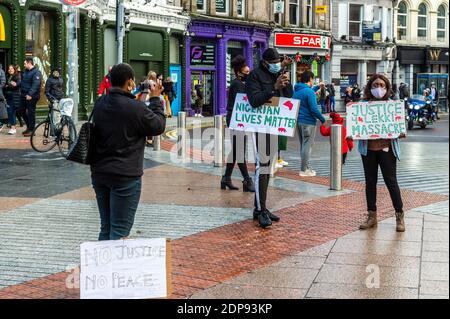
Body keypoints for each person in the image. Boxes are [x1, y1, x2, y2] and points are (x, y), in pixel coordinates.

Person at [90, 63, 166, 240]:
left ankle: (101, 267)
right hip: (125, 176)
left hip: (100, 173)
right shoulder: (135, 108)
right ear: (130, 82)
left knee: (106, 227)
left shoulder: (100, 103)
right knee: (119, 231)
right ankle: (112, 268)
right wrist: (155, 100)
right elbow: (158, 126)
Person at [246, 48, 294, 229]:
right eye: (273, 63)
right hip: (260, 126)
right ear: (265, 62)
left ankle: (260, 208)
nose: (276, 65)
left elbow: (289, 96)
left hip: (274, 125)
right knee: (262, 167)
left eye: (278, 62)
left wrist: (284, 82)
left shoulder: (280, 73)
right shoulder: (255, 76)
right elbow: (254, 100)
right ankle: (260, 209)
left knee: (268, 167)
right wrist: (273, 88)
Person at [357, 74, 406, 233]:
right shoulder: (362, 105)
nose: (379, 88)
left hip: (387, 150)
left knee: (391, 182)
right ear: (370, 87)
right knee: (370, 182)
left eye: (382, 85)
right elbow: (356, 124)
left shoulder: (393, 105)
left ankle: (399, 215)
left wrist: (400, 132)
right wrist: (353, 132)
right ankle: (372, 215)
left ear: (387, 88)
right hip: (368, 150)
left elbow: (400, 126)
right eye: (375, 85)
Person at [221, 55, 255, 193]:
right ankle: (247, 180)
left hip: (239, 119)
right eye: (246, 72)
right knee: (239, 149)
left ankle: (226, 178)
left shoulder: (241, 84)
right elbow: (244, 102)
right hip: (235, 119)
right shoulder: (237, 84)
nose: (248, 74)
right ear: (239, 72)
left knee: (236, 150)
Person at [293, 71, 326, 177]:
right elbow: (313, 109)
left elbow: (307, 92)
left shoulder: (297, 90)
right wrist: (322, 119)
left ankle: (305, 167)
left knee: (303, 145)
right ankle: (304, 170)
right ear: (310, 79)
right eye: (313, 79)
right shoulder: (309, 92)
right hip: (308, 122)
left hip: (299, 121)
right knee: (307, 146)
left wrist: (317, 87)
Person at [18, 57, 42, 137]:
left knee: (31, 113)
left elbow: (36, 85)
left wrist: (30, 94)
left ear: (29, 63)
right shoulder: (25, 72)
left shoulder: (36, 72)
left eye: (25, 63)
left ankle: (32, 130)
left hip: (32, 96)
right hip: (24, 95)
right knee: (21, 111)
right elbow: (23, 82)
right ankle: (29, 127)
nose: (24, 65)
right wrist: (17, 85)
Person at [4, 65, 22, 135]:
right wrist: (9, 85)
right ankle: (13, 126)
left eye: (11, 68)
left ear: (14, 69)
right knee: (10, 112)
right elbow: (4, 87)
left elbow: (16, 85)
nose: (10, 70)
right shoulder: (8, 77)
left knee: (12, 112)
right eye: (9, 69)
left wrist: (8, 86)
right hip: (9, 97)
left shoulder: (17, 76)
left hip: (15, 97)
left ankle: (13, 128)